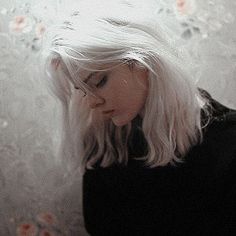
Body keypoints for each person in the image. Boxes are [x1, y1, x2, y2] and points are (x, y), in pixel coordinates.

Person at [42, 1, 236, 235]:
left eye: (99, 82)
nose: (92, 102)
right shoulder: (104, 145)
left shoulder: (227, 143)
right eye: (83, 90)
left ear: (141, 60)